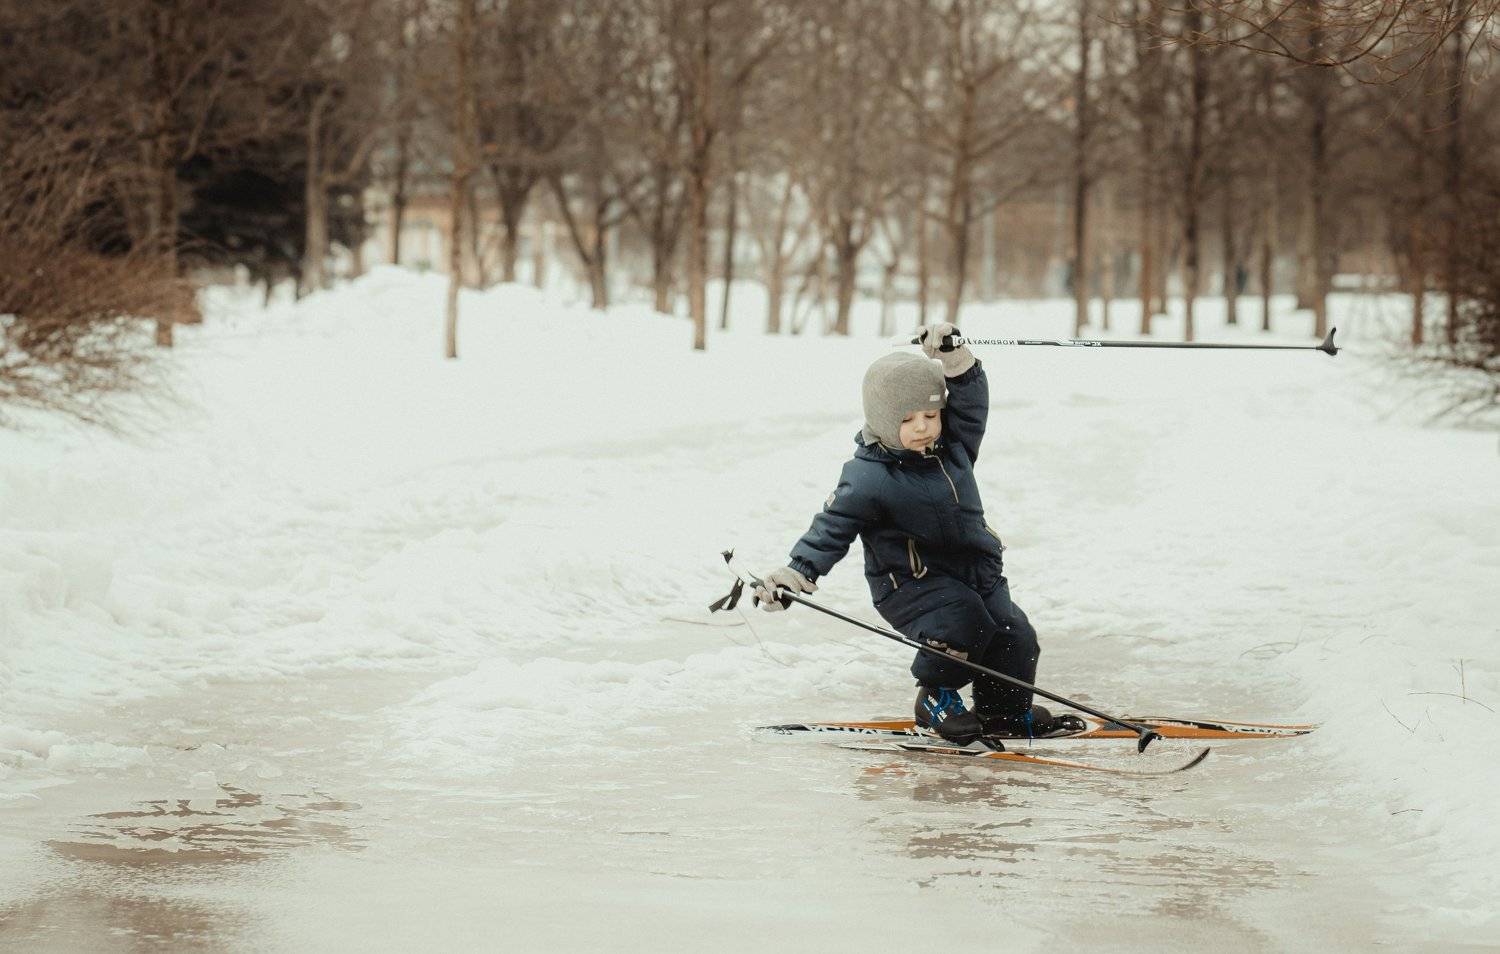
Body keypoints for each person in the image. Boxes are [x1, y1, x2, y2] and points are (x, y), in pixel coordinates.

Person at [753, 322, 1084, 745]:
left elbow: (971, 405)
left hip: (975, 572)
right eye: (908, 419)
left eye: (931, 415)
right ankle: (936, 699)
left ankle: (1002, 711)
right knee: (963, 623)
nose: (924, 427)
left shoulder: (955, 447)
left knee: (1013, 634)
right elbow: (831, 528)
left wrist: (955, 362)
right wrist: (797, 572)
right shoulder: (868, 477)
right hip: (912, 584)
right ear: (884, 420)